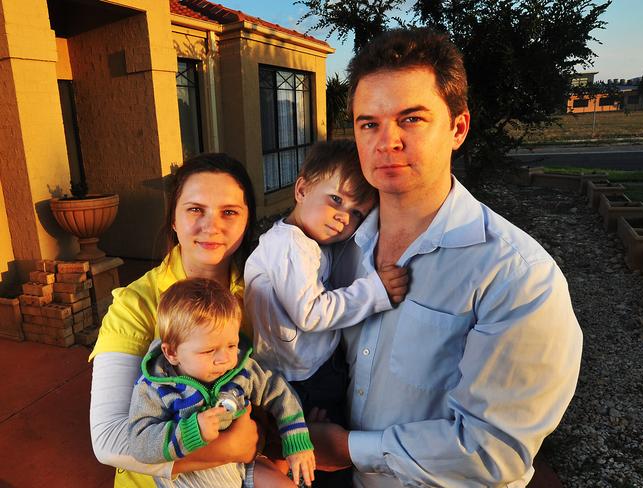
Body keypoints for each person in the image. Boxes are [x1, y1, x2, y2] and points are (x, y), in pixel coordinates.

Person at [310, 28, 583, 487]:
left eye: (411, 119)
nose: (386, 141)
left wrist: (346, 449)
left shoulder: (516, 276)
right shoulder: (340, 248)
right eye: (368, 123)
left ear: (458, 128)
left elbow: (492, 450)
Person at [90, 153, 260, 488]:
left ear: (247, 221)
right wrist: (228, 450)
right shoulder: (136, 305)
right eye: (195, 209)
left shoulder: (258, 294)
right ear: (173, 219)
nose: (211, 226)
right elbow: (108, 441)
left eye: (229, 212)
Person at [244, 140, 408, 425]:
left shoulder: (312, 242)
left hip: (312, 367)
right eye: (336, 199)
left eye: (357, 213)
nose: (343, 217)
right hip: (297, 380)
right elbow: (310, 313)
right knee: (310, 454)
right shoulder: (287, 246)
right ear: (302, 190)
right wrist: (375, 290)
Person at [128, 278, 315, 488]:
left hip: (242, 468)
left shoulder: (241, 371)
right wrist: (192, 431)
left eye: (231, 345)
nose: (224, 359)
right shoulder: (156, 387)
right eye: (208, 351)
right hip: (189, 478)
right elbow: (139, 443)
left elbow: (279, 393)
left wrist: (297, 443)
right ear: (171, 352)